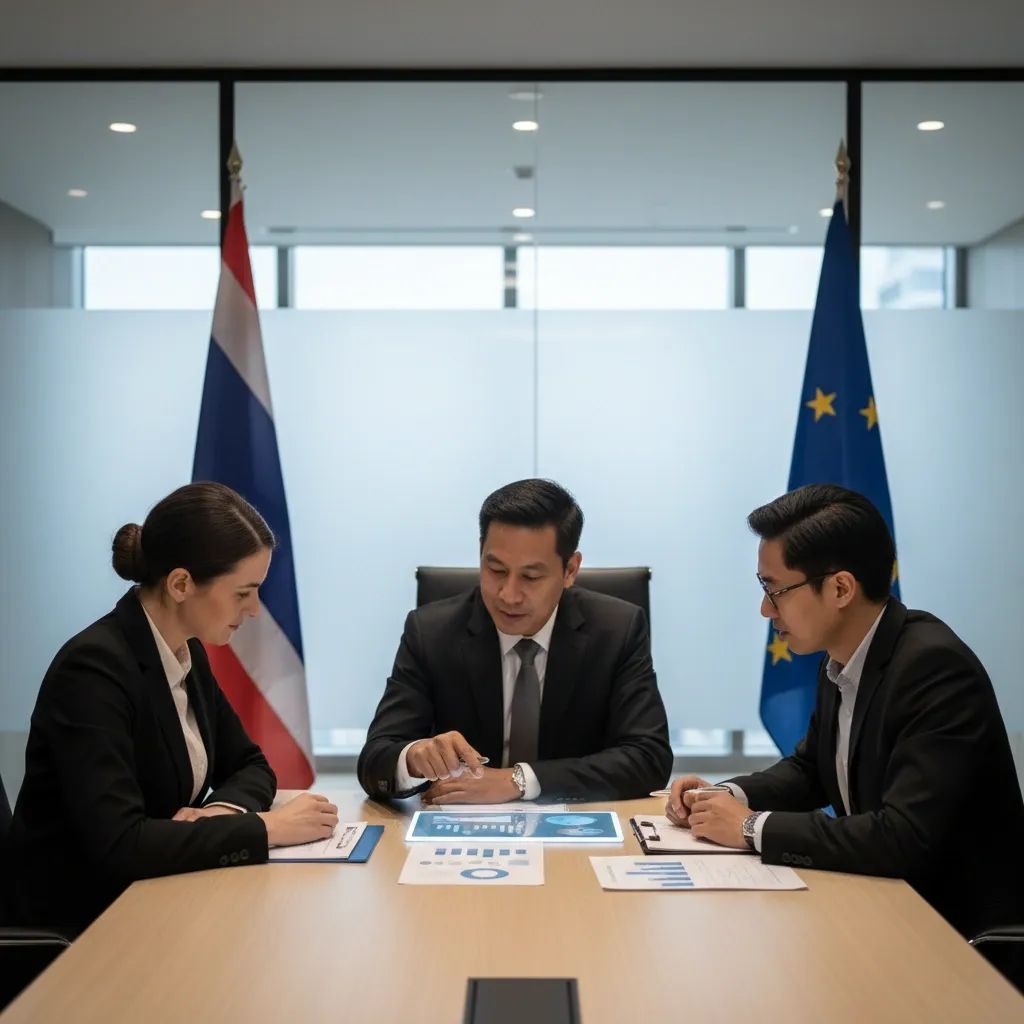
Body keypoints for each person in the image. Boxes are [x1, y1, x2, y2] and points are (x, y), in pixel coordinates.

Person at [666, 483, 1024, 937]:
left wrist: (752, 827)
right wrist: (725, 797)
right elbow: (811, 769)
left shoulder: (934, 669)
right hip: (884, 908)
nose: (764, 609)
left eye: (774, 589)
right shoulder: (843, 657)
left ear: (840, 588)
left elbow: (902, 836)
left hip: (957, 937)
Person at [7, 482, 338, 930]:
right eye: (244, 592)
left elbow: (251, 764)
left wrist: (222, 812)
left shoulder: (186, 651)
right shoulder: (93, 670)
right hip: (84, 926)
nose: (256, 609)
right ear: (181, 584)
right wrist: (266, 828)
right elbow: (121, 844)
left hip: (159, 899)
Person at [358, 479, 672, 804]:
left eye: (531, 577)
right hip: (462, 834)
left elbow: (648, 758)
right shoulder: (431, 632)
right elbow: (374, 761)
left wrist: (519, 780)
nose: (508, 595)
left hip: (575, 828)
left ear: (570, 570)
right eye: (495, 570)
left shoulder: (617, 630)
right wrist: (413, 757)